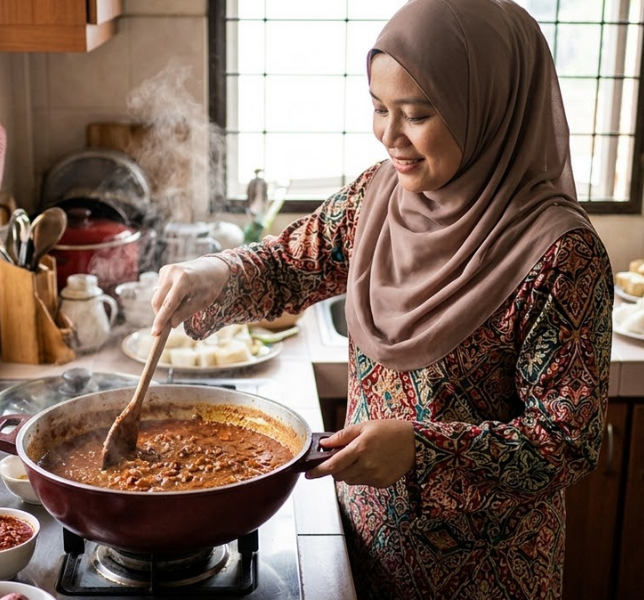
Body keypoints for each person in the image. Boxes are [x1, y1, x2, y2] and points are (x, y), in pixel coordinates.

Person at [150, 0, 613, 598]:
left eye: (417, 114)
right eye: (378, 108)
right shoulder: (378, 195)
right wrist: (213, 272)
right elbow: (291, 264)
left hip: (488, 580)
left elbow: (567, 442)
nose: (390, 137)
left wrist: (421, 451)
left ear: (489, 111)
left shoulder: (561, 257)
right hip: (361, 548)